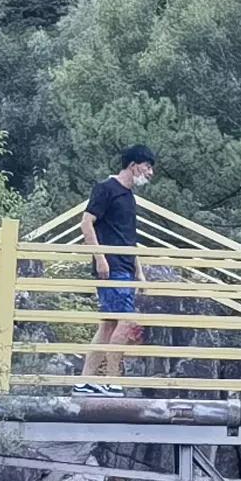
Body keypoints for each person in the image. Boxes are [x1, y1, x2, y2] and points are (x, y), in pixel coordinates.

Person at [83, 146, 156, 383]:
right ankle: (112, 381)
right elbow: (86, 223)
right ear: (133, 165)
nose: (150, 172)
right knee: (126, 321)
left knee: (107, 325)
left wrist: (140, 273)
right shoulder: (106, 188)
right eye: (147, 166)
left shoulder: (129, 197)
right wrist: (100, 257)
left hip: (125, 268)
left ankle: (85, 381)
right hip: (111, 267)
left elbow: (129, 240)